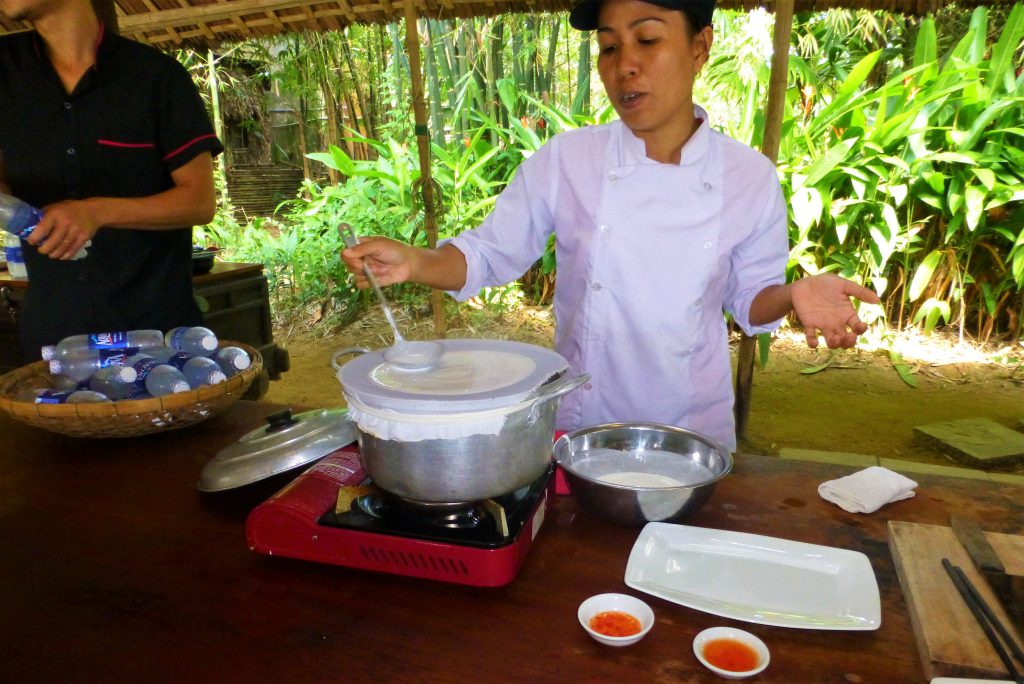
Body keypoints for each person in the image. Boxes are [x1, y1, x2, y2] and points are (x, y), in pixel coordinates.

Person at [341, 0, 880, 451]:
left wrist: (791, 294)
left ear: (700, 47)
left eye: (647, 40)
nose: (625, 65)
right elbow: (487, 254)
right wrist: (415, 261)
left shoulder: (749, 178)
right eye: (608, 47)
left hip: (689, 430)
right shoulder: (567, 161)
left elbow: (748, 300)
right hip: (582, 421)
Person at [0, 0, 223, 359]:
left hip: (158, 339)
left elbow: (199, 201)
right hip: (55, 339)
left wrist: (96, 212)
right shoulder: (5, 73)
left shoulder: (156, 78)